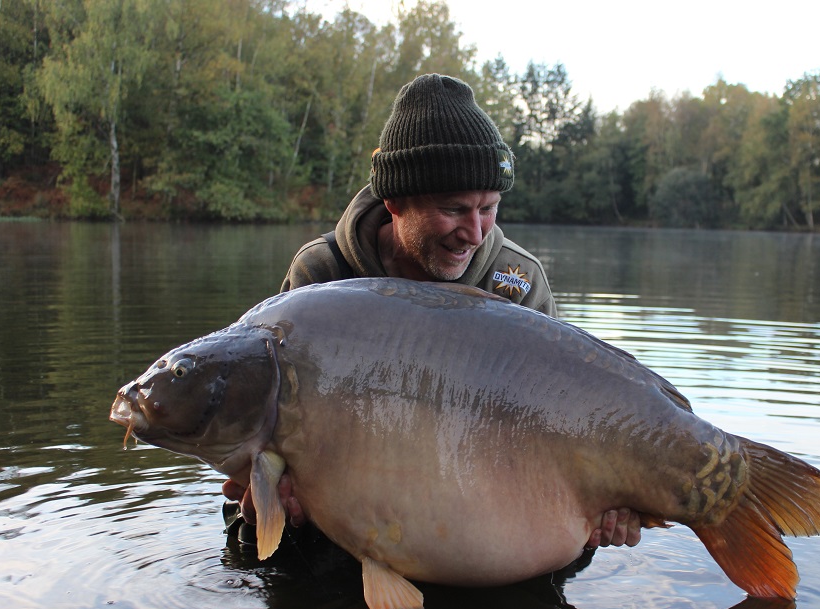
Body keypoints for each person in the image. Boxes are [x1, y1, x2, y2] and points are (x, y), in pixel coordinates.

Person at [222, 73, 641, 556]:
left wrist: (604, 499)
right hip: (357, 505)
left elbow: (566, 422)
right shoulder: (323, 274)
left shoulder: (517, 281)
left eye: (489, 208)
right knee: (259, 546)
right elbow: (275, 435)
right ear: (394, 201)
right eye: (455, 209)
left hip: (484, 508)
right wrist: (269, 502)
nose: (476, 233)